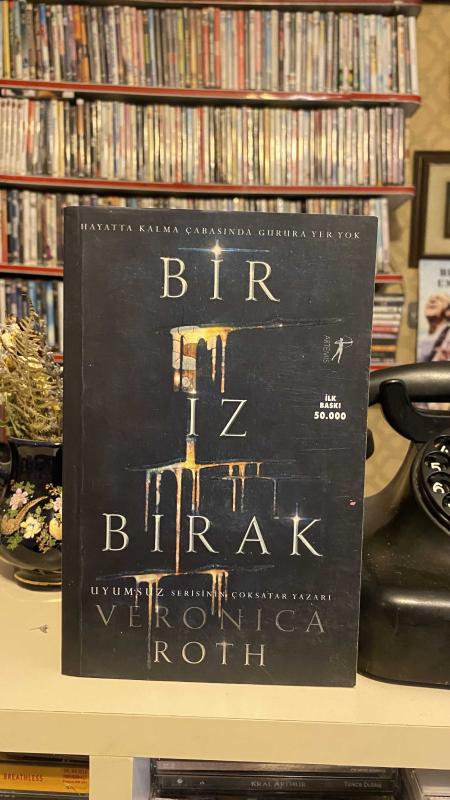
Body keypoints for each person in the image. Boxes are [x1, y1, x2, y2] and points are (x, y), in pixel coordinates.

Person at [417, 292, 450, 362]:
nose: (432, 300)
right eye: (430, 298)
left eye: (439, 299)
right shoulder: (422, 337)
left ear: (448, 311)